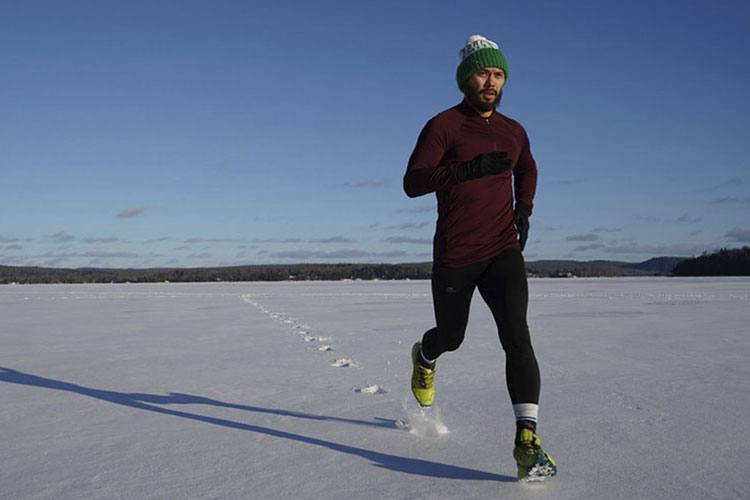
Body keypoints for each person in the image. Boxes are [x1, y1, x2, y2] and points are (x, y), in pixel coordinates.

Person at [402, 35, 556, 482]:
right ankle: (425, 356)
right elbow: (413, 182)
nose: (491, 82)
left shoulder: (514, 131)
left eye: (498, 74)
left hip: (502, 249)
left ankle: (527, 441)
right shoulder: (444, 126)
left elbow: (527, 165)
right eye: (483, 73)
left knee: (517, 337)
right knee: (452, 336)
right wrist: (464, 171)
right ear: (466, 78)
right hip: (456, 253)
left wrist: (524, 208)